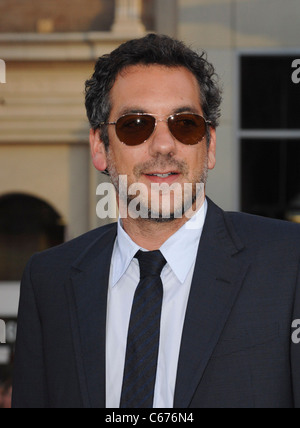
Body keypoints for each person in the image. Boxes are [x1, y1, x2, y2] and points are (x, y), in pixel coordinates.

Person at [12, 34, 300, 408]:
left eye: (185, 124)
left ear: (209, 146)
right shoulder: (48, 279)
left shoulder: (288, 263)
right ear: (100, 147)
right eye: (135, 124)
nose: (164, 145)